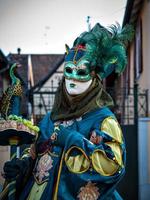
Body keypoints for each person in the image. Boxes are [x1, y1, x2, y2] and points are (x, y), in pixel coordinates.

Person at [3, 23, 133, 200]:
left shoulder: (103, 120)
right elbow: (36, 151)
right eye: (69, 71)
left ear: (94, 77)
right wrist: (23, 164)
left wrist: (72, 139)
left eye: (81, 72)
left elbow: (113, 166)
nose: (72, 78)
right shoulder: (50, 118)